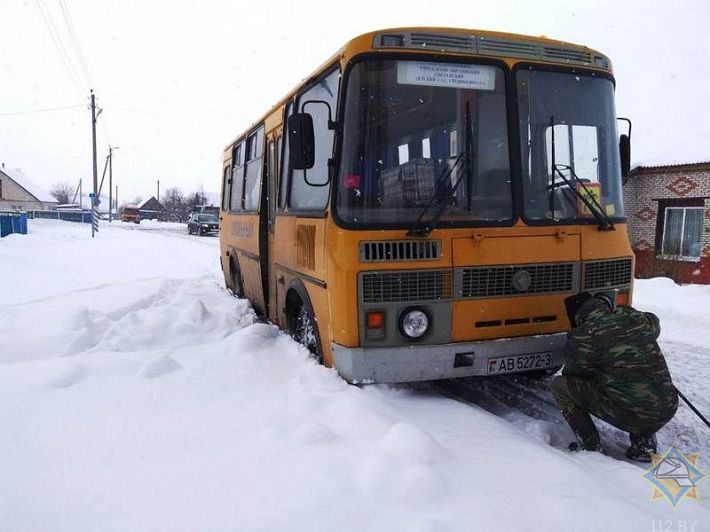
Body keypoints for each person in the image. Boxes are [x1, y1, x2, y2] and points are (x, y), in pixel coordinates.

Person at [550, 292, 678, 462]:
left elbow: (574, 375)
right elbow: (654, 322)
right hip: (667, 407)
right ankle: (644, 443)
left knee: (560, 386)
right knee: (640, 391)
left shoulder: (584, 334)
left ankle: (590, 445)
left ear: (578, 317)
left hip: (633, 414)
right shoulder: (634, 317)